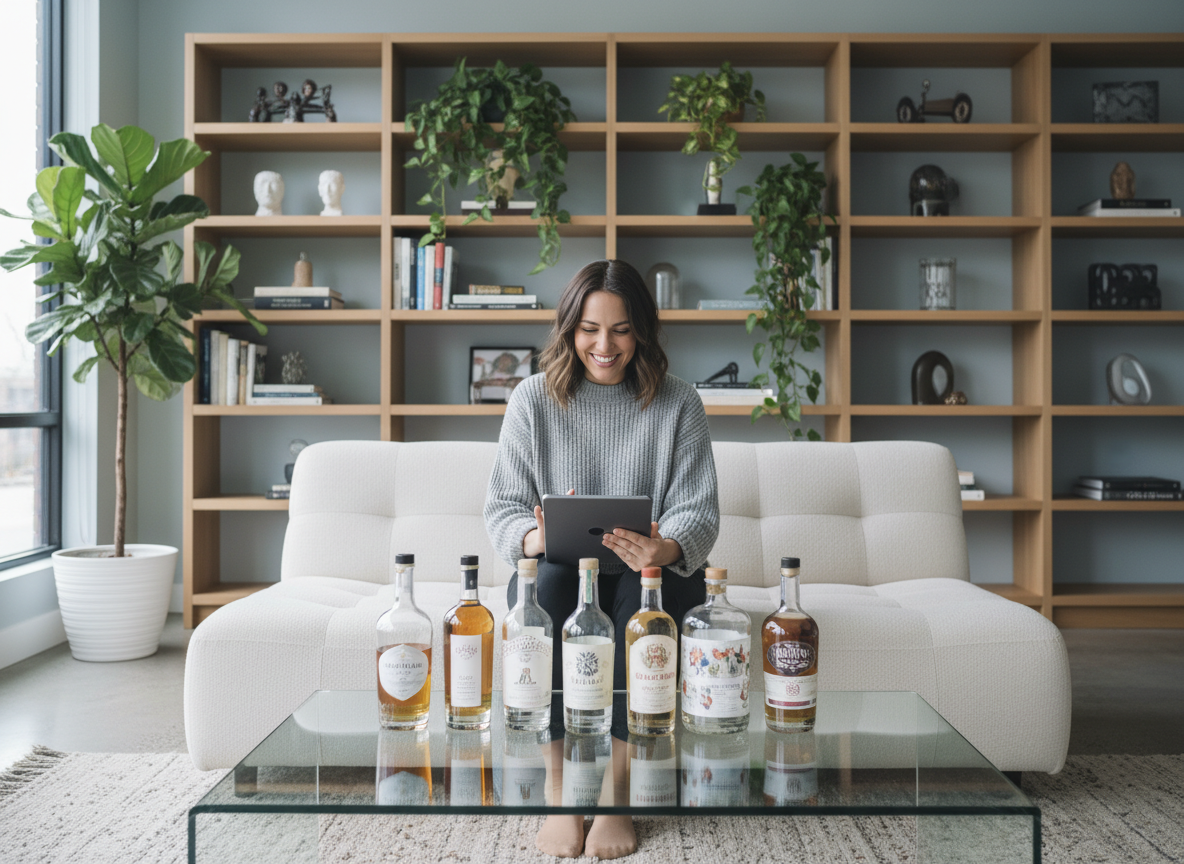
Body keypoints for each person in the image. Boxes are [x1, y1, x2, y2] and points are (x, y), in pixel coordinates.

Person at [484, 259, 720, 859]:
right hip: (563, 563)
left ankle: (616, 799)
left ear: (641, 330)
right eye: (590, 329)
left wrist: (665, 546)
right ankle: (562, 795)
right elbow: (502, 510)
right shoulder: (532, 400)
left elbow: (698, 511)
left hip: (646, 566)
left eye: (620, 329)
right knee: (547, 592)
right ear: (570, 329)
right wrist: (535, 538)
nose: (604, 345)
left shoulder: (679, 403)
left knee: (652, 598)